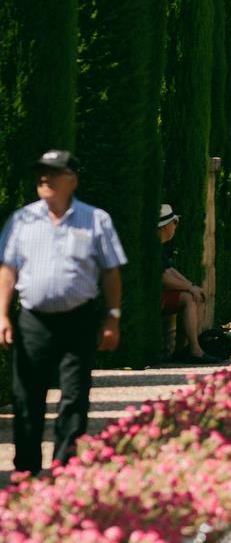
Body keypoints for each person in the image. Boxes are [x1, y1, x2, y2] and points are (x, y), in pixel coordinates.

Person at [0, 149, 126, 474]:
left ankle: (64, 468)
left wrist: (112, 316)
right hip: (33, 321)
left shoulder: (96, 220)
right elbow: (8, 270)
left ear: (72, 180)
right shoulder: (21, 220)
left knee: (74, 395)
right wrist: (1, 314)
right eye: (41, 172)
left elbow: (110, 271)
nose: (44, 178)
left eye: (53, 172)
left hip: (78, 320)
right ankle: (26, 469)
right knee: (26, 395)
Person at [159, 204, 222, 363]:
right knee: (189, 298)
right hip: (153, 296)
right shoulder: (153, 246)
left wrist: (193, 286)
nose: (175, 227)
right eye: (175, 223)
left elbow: (170, 270)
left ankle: (184, 349)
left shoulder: (159, 247)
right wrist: (189, 288)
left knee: (194, 296)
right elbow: (163, 278)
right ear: (166, 226)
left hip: (160, 293)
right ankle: (194, 349)